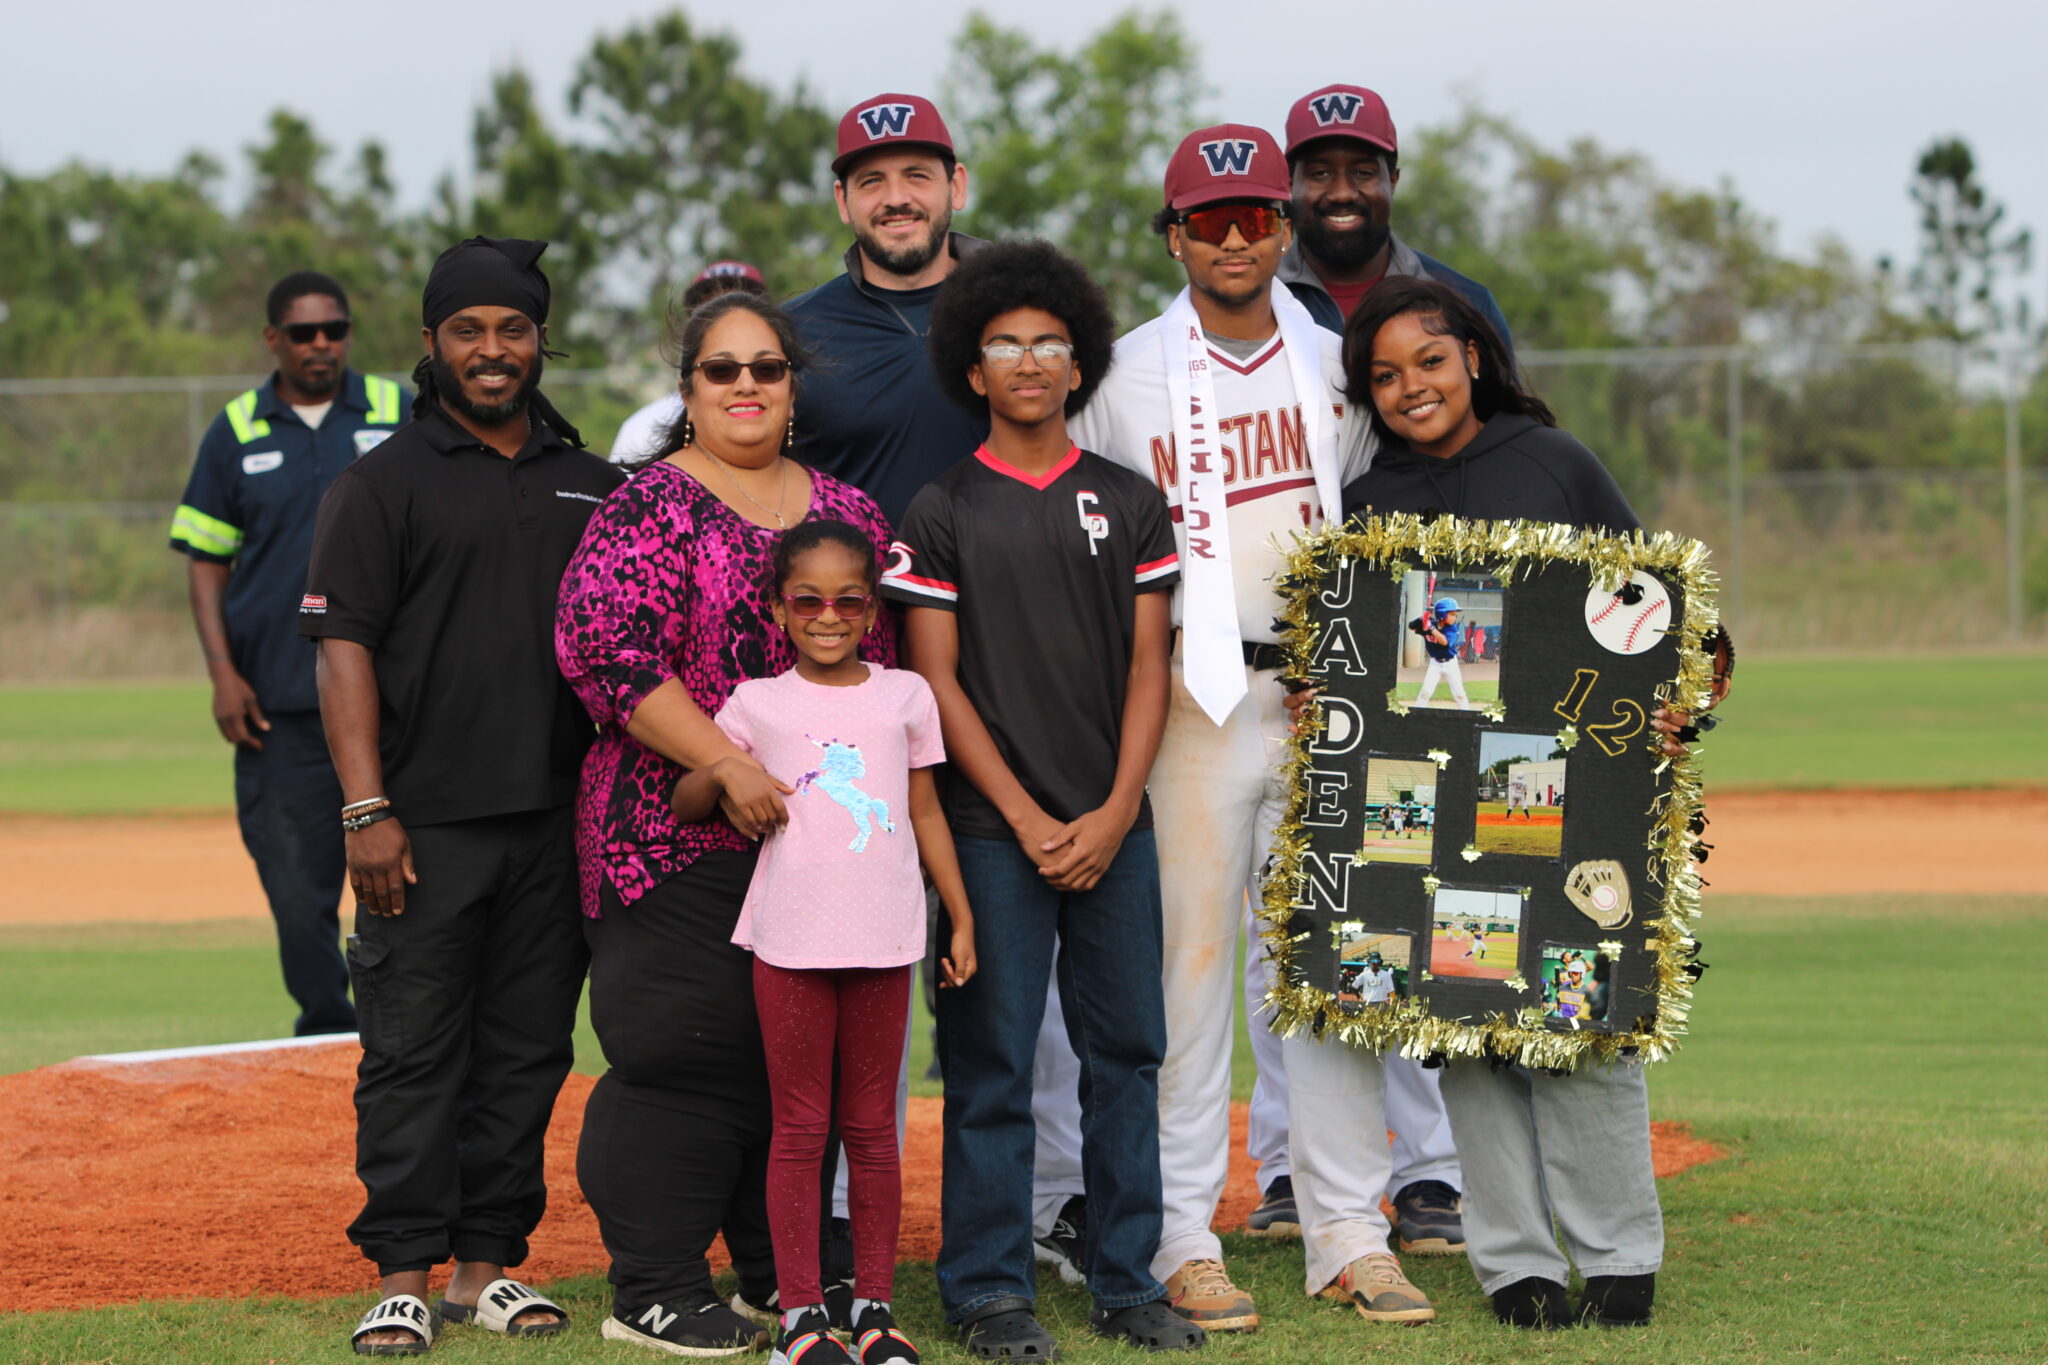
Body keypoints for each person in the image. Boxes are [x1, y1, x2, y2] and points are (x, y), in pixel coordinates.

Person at [1070, 123, 1421, 1332]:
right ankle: (1179, 1235)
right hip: (1182, 703)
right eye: (1205, 221)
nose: (1233, 238)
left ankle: (1348, 1233)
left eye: (1252, 217)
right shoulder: (1118, 378)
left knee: (1328, 972)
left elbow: (1382, 518)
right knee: (1186, 977)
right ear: (1172, 236)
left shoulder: (1335, 360)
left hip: (1322, 698)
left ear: (1280, 229)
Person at [1333, 274, 1731, 1329]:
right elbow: (1363, 660)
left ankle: (1617, 1254)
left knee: (1576, 1009)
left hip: (1565, 789)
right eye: (1382, 375)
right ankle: (1514, 1264)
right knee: (1468, 1026)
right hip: (1441, 803)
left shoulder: (1552, 463)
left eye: (1427, 359)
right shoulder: (1371, 505)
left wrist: (1673, 704)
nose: (1409, 386)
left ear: (1472, 355)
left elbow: (1655, 609)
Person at [555, 289, 897, 1357]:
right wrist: (721, 759)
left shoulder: (848, 514)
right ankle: (651, 1284)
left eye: (765, 368)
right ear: (688, 389)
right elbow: (599, 649)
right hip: (668, 832)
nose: (744, 385)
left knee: (778, 1062)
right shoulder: (646, 506)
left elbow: (877, 679)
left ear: (793, 387)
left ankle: (771, 1267)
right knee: (681, 1051)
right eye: (720, 370)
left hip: (813, 851)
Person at [789, 92, 1090, 1304]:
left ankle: (1055, 1206)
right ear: (842, 198)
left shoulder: (1021, 315)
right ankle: (845, 1218)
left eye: (917, 171)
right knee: (844, 950)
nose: (895, 194)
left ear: (955, 183)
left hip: (1010, 693)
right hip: (851, 694)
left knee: (1035, 976)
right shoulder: (802, 334)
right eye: (870, 177)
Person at [302, 237, 624, 1355]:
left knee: (528, 1047)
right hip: (421, 825)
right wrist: (364, 810)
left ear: (540, 339)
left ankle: (485, 1267)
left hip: (560, 820)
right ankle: (401, 1267)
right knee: (410, 1045)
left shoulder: (595, 481)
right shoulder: (380, 482)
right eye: (468, 331)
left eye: (513, 329)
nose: (492, 350)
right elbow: (341, 647)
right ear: (430, 345)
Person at [886, 239, 1199, 1355]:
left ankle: (1126, 1282)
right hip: (987, 832)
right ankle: (984, 1288)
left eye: (1049, 344)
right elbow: (933, 680)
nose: (1027, 360)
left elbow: (1147, 670)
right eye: (1004, 343)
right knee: (990, 1068)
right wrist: (1022, 820)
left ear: (1080, 366)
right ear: (973, 369)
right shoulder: (939, 508)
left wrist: (1114, 813)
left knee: (1127, 1060)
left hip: (1116, 828)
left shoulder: (1129, 501)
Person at [671, 519, 976, 1365]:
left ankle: (874, 1307)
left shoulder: (906, 695)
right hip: (790, 938)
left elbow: (922, 811)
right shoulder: (754, 703)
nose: (829, 615)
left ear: (871, 607)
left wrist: (961, 910)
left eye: (848, 599)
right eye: (809, 600)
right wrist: (726, 772)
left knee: (874, 1128)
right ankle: (803, 1318)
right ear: (779, 609)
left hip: (886, 936)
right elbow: (690, 801)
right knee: (801, 1129)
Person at [169, 270, 405, 1039]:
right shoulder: (236, 430)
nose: (320, 344)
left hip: (395, 702)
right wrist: (221, 671)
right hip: (278, 704)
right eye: (303, 332)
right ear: (273, 339)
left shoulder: (397, 411)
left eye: (334, 329)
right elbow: (206, 558)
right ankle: (324, 1022)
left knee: (411, 875)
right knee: (296, 890)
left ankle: (400, 1023)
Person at [1277, 83, 1511, 342]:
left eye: (1362, 173)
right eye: (1320, 173)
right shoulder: (1255, 295)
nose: (1342, 193)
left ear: (1392, 180)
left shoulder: (1466, 302)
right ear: (1288, 183)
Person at [610, 261, 771, 463]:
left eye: (744, 307)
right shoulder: (643, 428)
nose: (729, 321)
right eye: (711, 311)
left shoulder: (799, 419)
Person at [1410, 598, 1469, 707]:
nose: (1455, 617)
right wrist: (1421, 619)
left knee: (1459, 694)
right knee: (1425, 692)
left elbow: (1444, 642)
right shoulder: (1428, 624)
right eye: (1452, 614)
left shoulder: (1452, 628)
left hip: (1451, 664)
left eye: (1455, 615)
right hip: (1435, 664)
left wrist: (1431, 628)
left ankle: (1467, 713)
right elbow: (1411, 627)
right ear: (1442, 614)